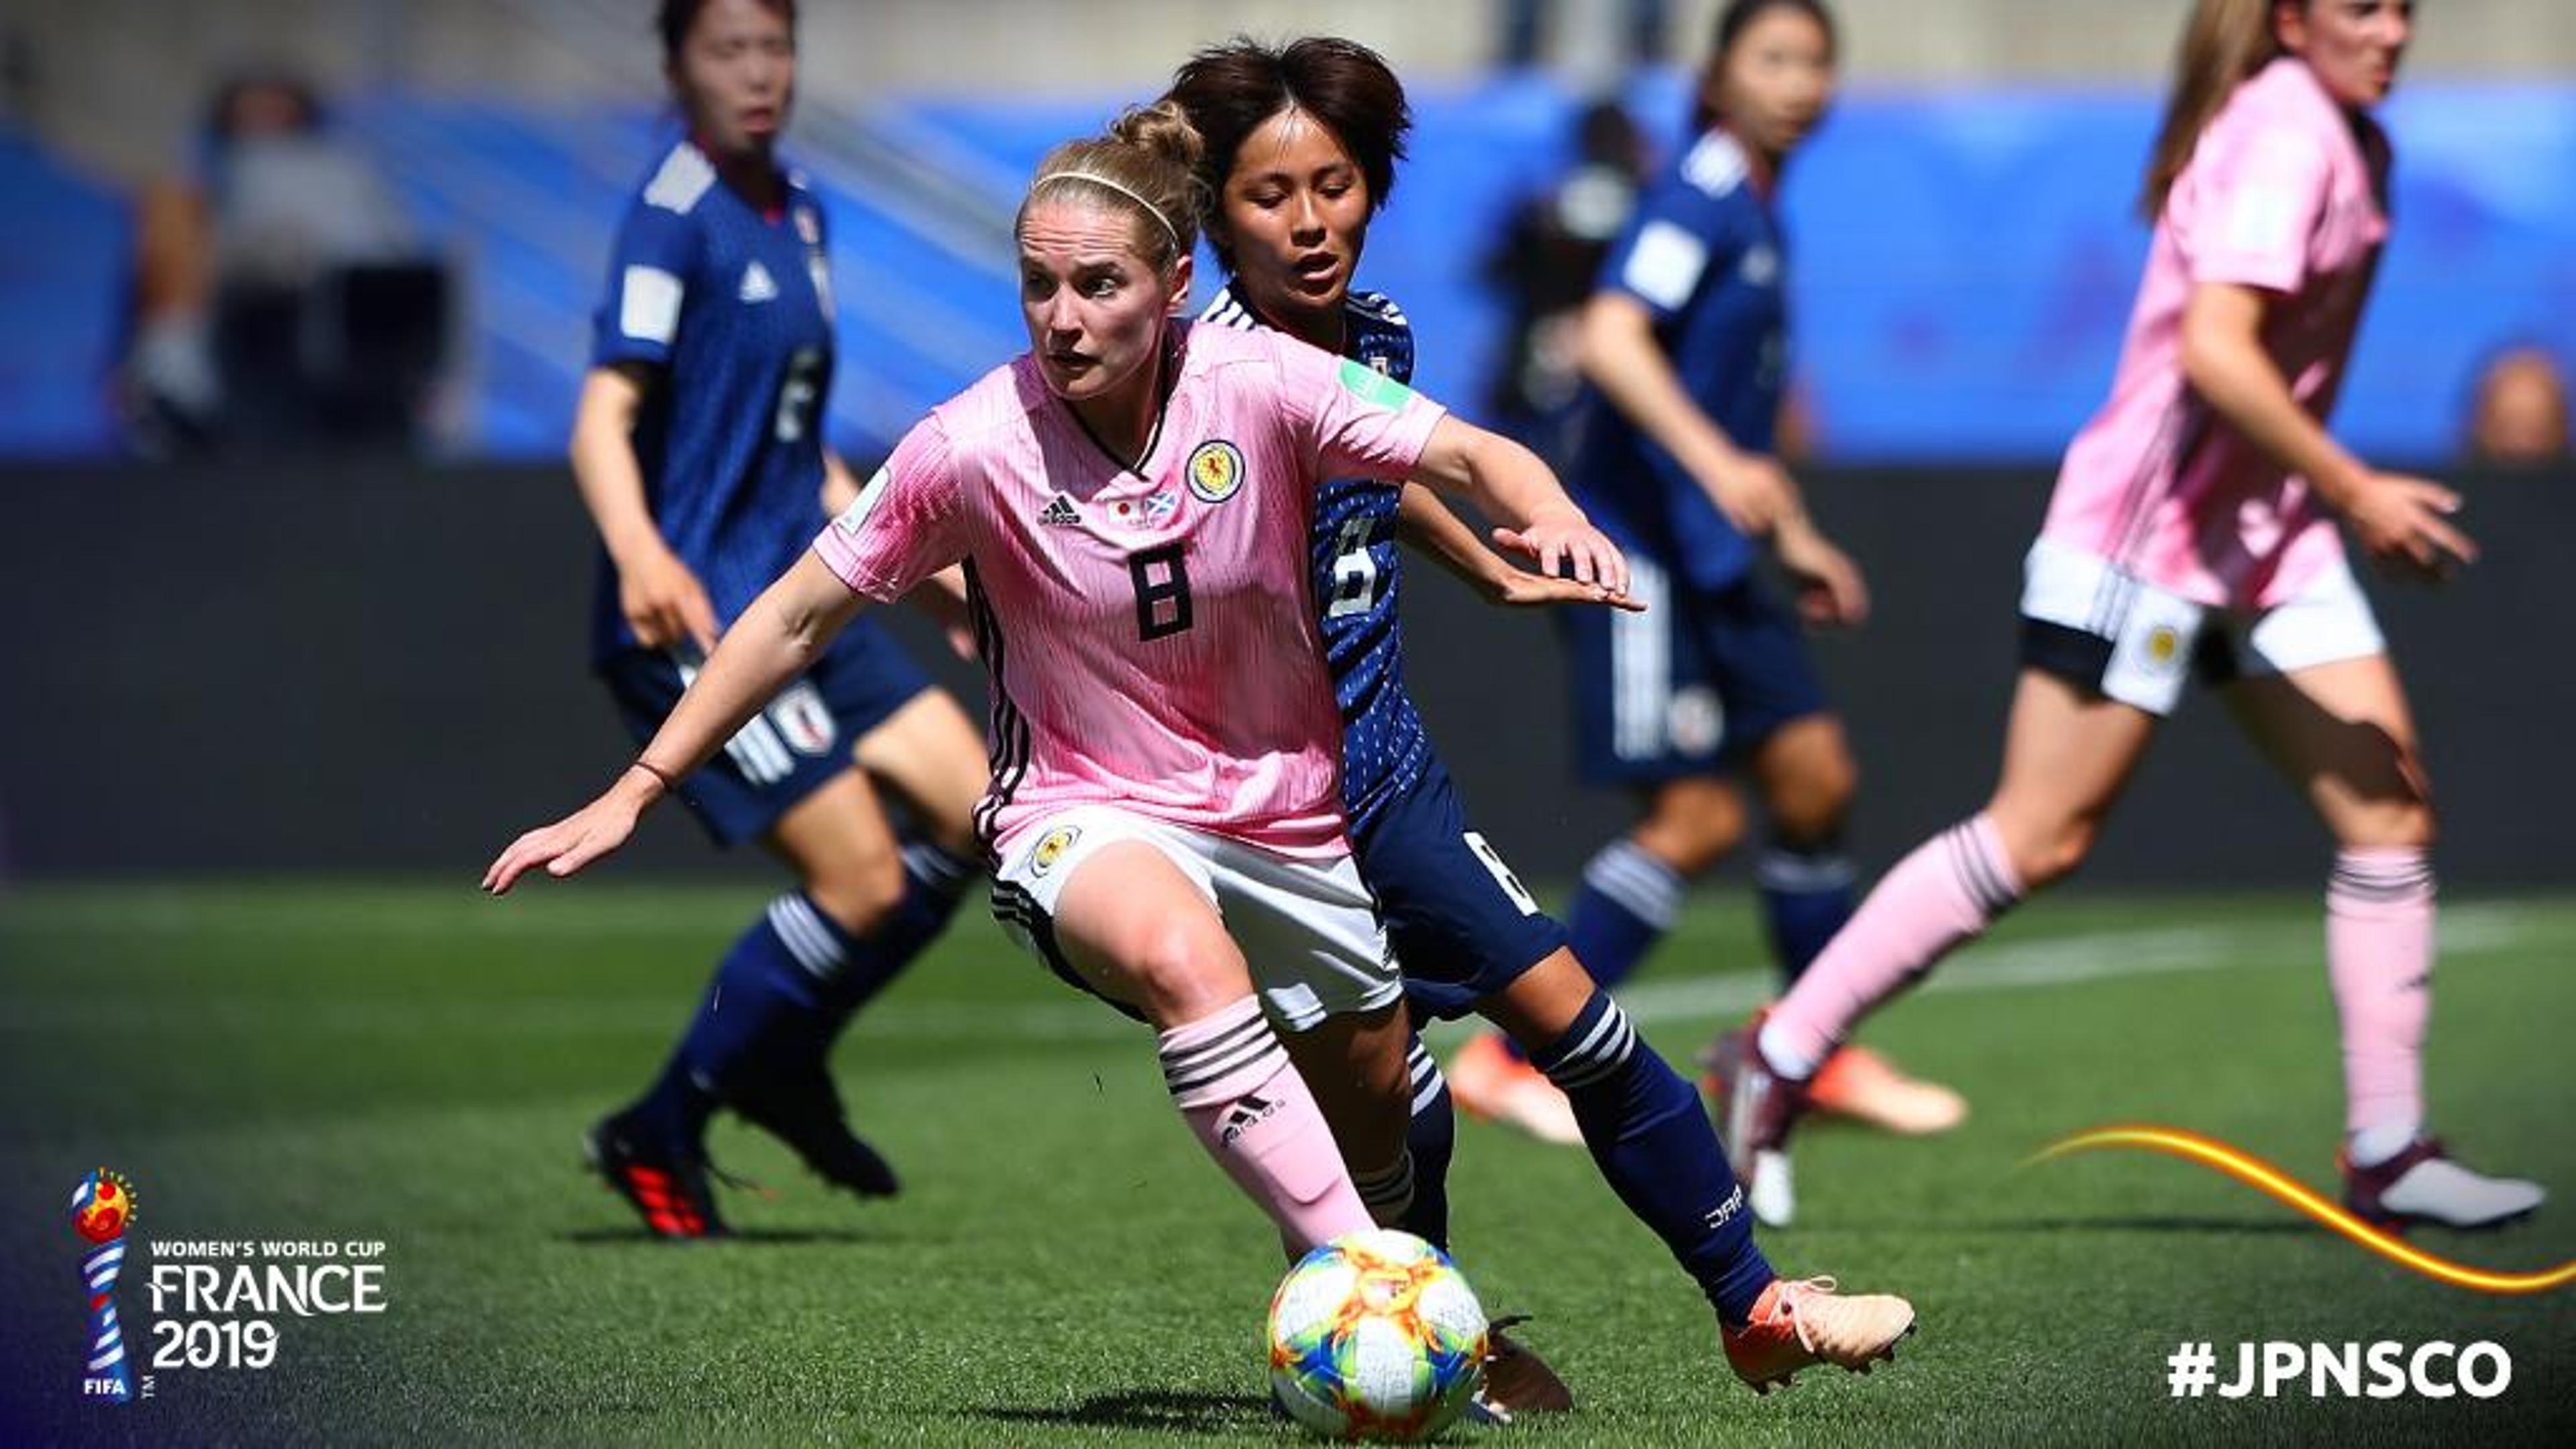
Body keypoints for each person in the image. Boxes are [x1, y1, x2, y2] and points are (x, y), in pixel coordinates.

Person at [490, 94, 1913, 1397]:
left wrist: (1540, 520)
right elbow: (797, 615)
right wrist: (638, 787)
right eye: (1038, 285)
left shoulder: (1264, 384)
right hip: (1084, 812)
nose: (1059, 315)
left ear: (1175, 289)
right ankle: (1390, 1300)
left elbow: (1468, 453)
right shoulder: (968, 443)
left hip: (1297, 817)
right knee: (1185, 958)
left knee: (1395, 1104)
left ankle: (1488, 1318)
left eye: (1096, 283)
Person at [1712, 0, 2546, 1232]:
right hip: (2147, 541)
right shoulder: (2285, 133)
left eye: (2406, 8)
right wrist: (2356, 484)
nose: (2395, 30)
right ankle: (1775, 1059)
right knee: (2036, 839)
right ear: (2289, 19)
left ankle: (2387, 1151)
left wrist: (2319, 496)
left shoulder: (2349, 134)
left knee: (2388, 804)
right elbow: (2216, 350)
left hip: (2266, 539)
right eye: (2364, 7)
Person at [1167, 32, 1914, 1397]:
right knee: (1400, 1108)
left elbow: (1376, 467)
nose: (1311, 220)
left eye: (1334, 184)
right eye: (1271, 195)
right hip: (1258, 814)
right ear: (1216, 212)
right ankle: (1450, 1342)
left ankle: (1757, 1307)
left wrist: (1485, 560)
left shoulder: (1378, 331)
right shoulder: (1189, 383)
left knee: (1587, 1029)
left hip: (1387, 774)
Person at [1468, 0, 1958, 1197]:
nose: (1799, 83)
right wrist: (1723, 467)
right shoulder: (1695, 192)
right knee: (1697, 820)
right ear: (1720, 75)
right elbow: (1615, 339)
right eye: (1773, 59)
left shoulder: (1753, 203)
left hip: (1723, 557)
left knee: (1813, 780)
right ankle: (1508, 1056)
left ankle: (1811, 1052)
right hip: (1646, 555)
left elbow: (1730, 412)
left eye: (1815, 63)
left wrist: (1790, 533)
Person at [566, 0, 989, 1238]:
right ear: (676, 66)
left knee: (979, 814)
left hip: (803, 594)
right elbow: (602, 415)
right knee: (859, 878)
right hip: (696, 613)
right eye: (727, 51)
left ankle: (784, 1055)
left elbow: (804, 454)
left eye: (774, 49)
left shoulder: (798, 206)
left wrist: (931, 579)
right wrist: (641, 553)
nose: (757, 75)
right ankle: (668, 1121)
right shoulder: (671, 214)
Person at [2461, 345, 2569, 466]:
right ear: (2480, 423)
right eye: (2507, 427)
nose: (2521, 445)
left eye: (2534, 431)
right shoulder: (2449, 482)